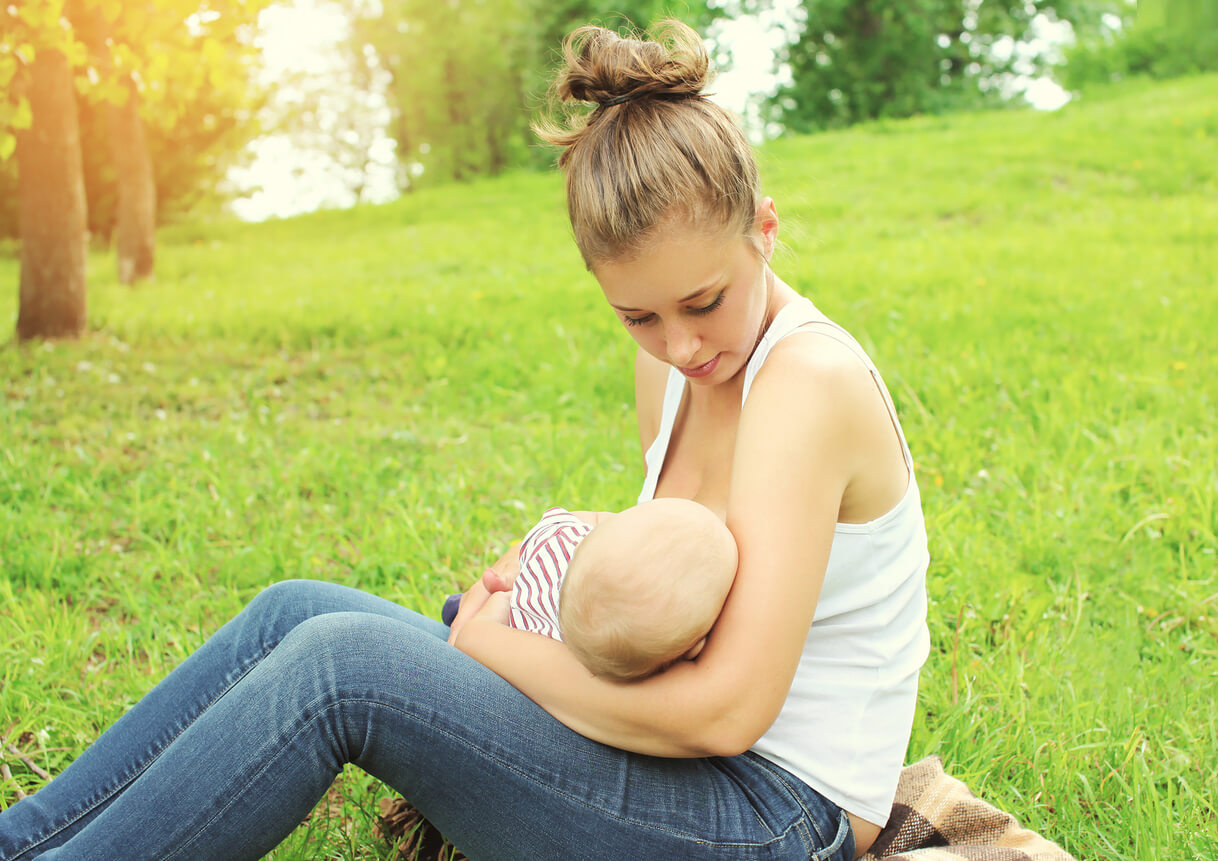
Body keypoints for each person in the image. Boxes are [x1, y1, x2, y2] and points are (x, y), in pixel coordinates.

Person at [0, 20, 928, 861]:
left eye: (704, 301)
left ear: (764, 230)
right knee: (294, 611)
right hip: (671, 764)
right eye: (637, 315)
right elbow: (684, 582)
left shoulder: (806, 384)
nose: (681, 344)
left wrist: (495, 649)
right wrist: (554, 578)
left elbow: (727, 709)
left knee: (343, 672)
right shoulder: (679, 367)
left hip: (770, 817)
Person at [452, 499, 738, 681]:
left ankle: (472, 612)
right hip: (523, 663)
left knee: (495, 603)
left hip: (521, 603)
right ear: (693, 647)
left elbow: (562, 524)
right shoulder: (651, 657)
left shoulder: (563, 544)